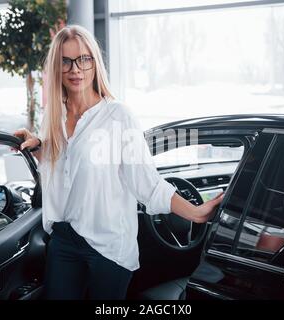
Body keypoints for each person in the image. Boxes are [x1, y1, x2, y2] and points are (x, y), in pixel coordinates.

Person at [13, 25, 224, 300]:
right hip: (64, 238)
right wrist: (40, 145)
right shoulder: (53, 118)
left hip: (108, 245)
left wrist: (194, 213)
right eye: (66, 61)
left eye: (83, 59)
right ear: (57, 67)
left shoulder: (117, 116)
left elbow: (146, 183)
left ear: (94, 63)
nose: (75, 69)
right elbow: (63, 173)